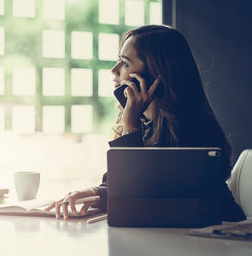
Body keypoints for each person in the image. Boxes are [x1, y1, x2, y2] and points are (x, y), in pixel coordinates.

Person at [45, 24, 246, 222]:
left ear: (154, 74)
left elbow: (143, 194)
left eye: (124, 63)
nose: (114, 71)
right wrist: (91, 191)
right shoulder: (149, 123)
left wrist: (130, 125)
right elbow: (130, 184)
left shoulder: (193, 131)